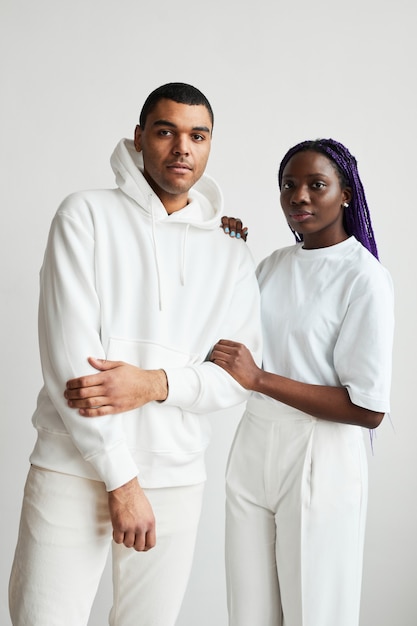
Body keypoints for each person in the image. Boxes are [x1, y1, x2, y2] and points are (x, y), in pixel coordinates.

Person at [9, 82, 262, 626]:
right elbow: (71, 362)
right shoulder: (85, 215)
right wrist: (121, 482)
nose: (182, 148)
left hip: (175, 478)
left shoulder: (230, 252)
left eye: (198, 135)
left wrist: (156, 383)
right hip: (73, 467)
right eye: (166, 131)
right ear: (140, 136)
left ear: (210, 144)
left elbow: (234, 379)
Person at [211, 138, 394, 626]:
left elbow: (368, 407)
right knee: (247, 614)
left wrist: (260, 379)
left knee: (316, 613)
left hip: (321, 455)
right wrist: (224, 251)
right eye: (289, 185)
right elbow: (221, 333)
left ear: (346, 193)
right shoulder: (272, 265)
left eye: (317, 184)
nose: (300, 196)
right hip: (254, 446)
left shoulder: (364, 277)